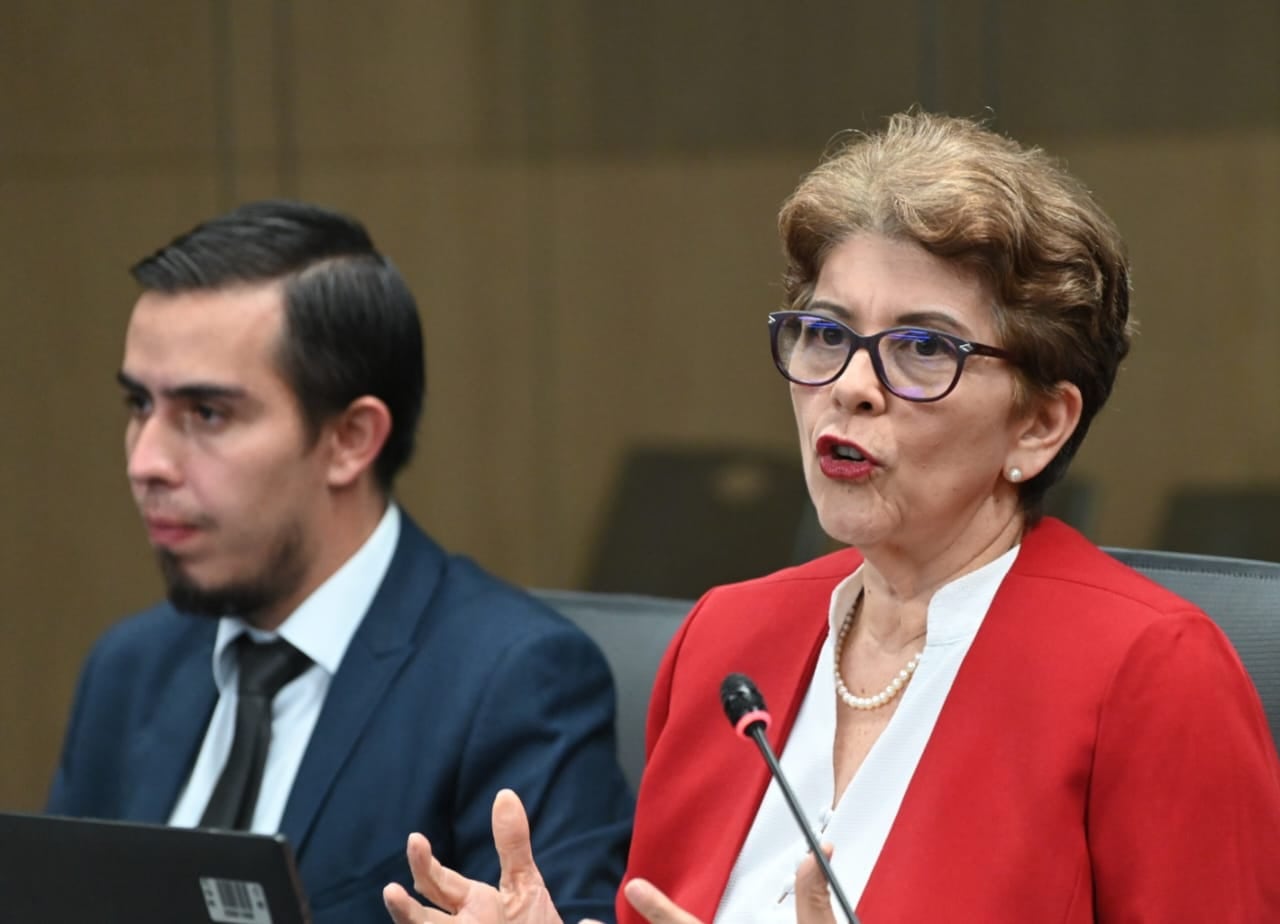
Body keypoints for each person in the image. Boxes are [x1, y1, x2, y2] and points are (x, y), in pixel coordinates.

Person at [383, 112, 1280, 924]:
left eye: (921, 347)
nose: (850, 386)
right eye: (826, 333)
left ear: (1039, 424)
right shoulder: (727, 640)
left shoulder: (1150, 673)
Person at [47, 200, 634, 924]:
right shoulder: (128, 668)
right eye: (140, 404)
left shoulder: (511, 682)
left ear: (351, 439)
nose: (146, 461)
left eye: (206, 414)